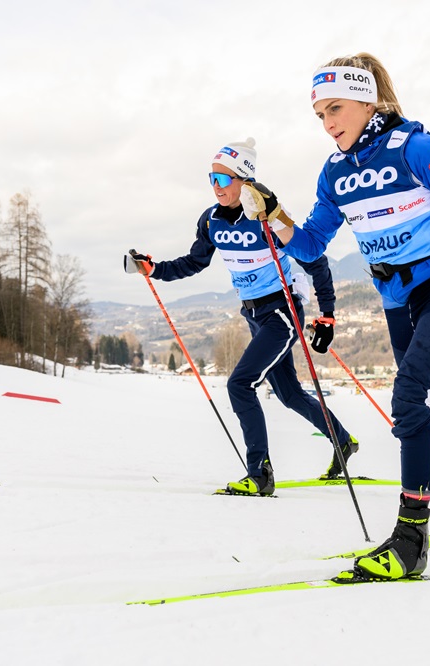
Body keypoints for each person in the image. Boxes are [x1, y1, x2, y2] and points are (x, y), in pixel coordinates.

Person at [239, 53, 430, 580]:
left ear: (368, 101)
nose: (328, 123)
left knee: (410, 399)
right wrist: (275, 217)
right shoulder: (335, 172)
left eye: (336, 108)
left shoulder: (417, 149)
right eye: (319, 114)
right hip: (394, 299)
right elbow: (313, 242)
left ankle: (411, 538)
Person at [125, 137, 359, 496]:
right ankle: (342, 440)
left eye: (223, 179)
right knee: (290, 394)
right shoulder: (211, 221)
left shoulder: (265, 218)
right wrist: (153, 269)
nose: (216, 187)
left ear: (243, 181)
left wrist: (327, 314)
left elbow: (316, 262)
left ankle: (260, 473)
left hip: (282, 311)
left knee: (239, 384)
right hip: (253, 315)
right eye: (212, 179)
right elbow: (194, 262)